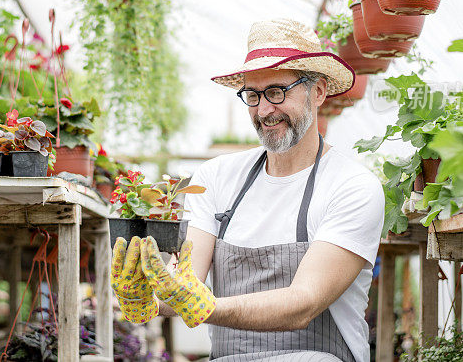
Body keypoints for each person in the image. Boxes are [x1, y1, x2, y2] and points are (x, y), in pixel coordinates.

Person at [110, 18, 384, 362]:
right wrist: (148, 298)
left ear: (318, 91)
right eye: (253, 95)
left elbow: (303, 304)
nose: (264, 110)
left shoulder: (351, 187)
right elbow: (188, 285)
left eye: (276, 91)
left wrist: (204, 306)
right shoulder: (217, 177)